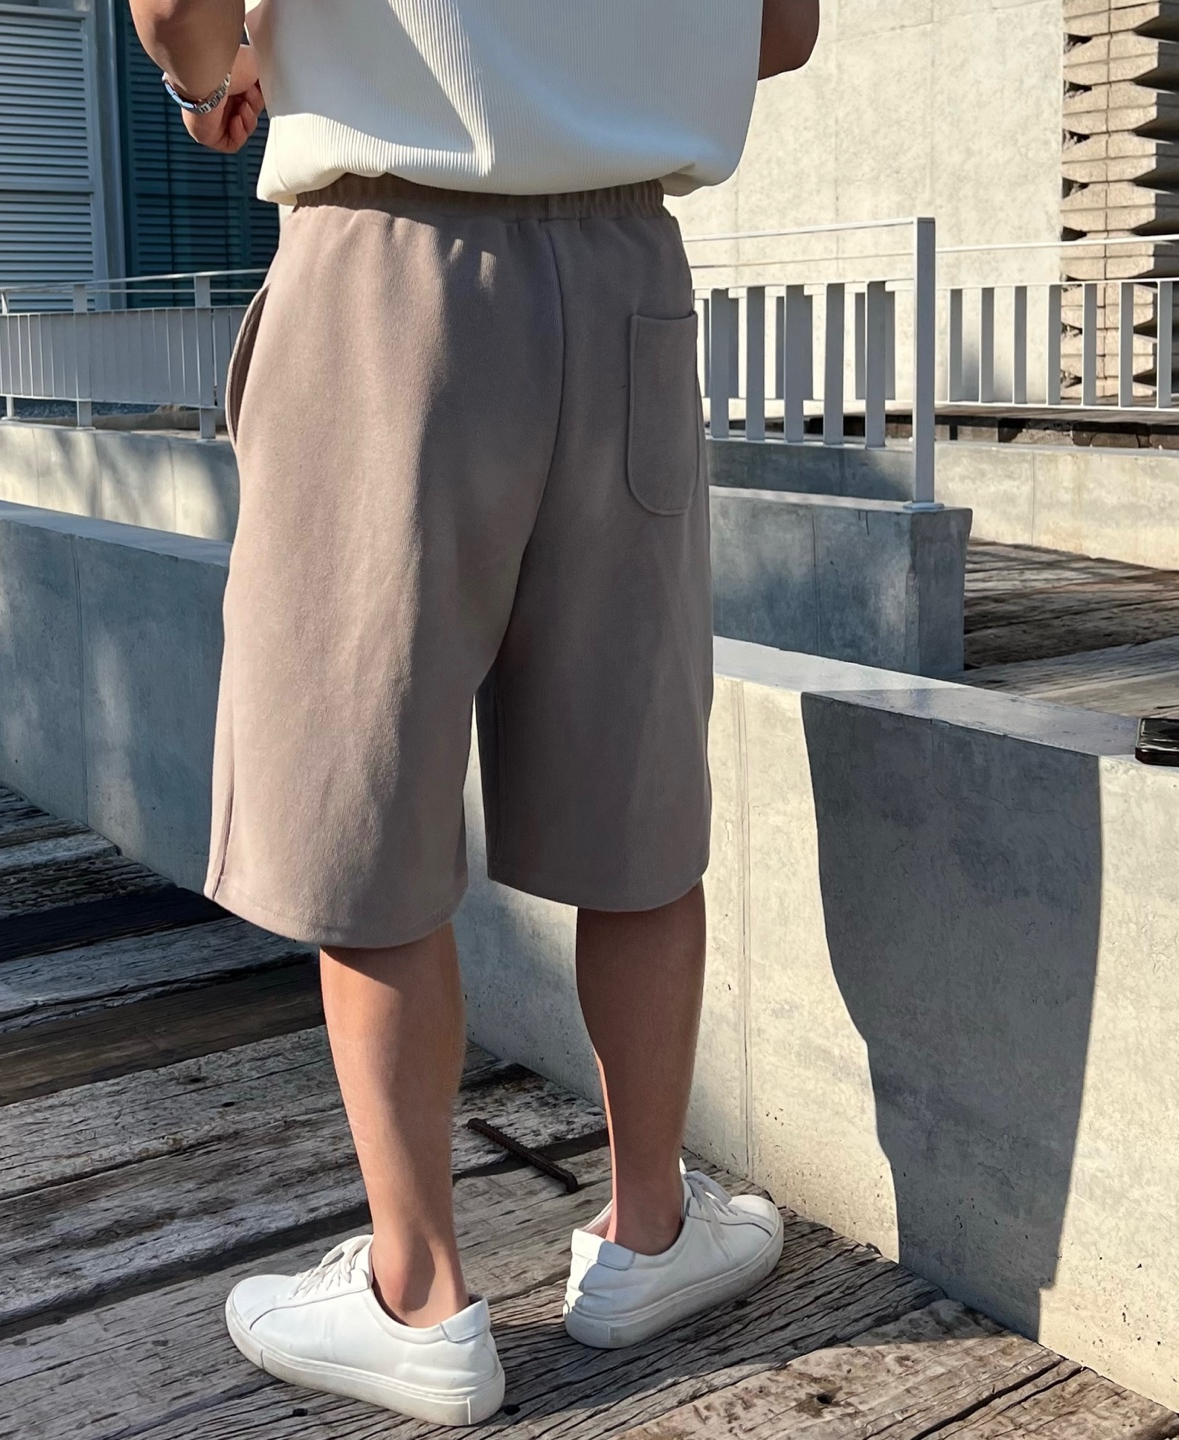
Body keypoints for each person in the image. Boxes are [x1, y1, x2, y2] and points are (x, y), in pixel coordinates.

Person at [129, 0, 821, 1425]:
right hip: (627, 274)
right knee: (633, 776)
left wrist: (215, 78)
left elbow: (176, 11)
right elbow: (782, 28)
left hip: (388, 269)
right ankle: (650, 1233)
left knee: (364, 786)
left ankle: (420, 1296)